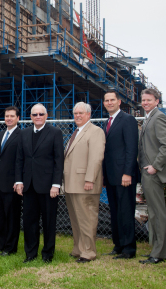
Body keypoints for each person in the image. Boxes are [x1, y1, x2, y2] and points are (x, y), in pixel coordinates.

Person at [15, 103, 64, 264]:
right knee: (29, 221)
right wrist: (19, 181)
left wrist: (56, 184)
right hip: (29, 186)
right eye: (35, 114)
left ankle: (47, 254)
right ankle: (30, 253)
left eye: (41, 114)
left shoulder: (55, 133)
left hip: (48, 186)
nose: (38, 117)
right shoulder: (24, 133)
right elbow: (20, 159)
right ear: (30, 117)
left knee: (49, 221)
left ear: (46, 116)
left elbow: (59, 160)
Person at [63, 102, 105, 263]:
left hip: (84, 184)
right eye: (75, 113)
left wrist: (89, 179)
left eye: (81, 113)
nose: (77, 116)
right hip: (72, 184)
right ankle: (78, 248)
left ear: (89, 114)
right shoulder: (77, 132)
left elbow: (96, 158)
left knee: (87, 219)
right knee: (76, 219)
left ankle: (88, 252)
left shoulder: (95, 131)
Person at [102, 89, 139, 260]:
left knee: (125, 211)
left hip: (124, 176)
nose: (109, 103)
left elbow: (131, 148)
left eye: (112, 100)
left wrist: (127, 173)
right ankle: (118, 245)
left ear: (119, 102)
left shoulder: (127, 120)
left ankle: (129, 248)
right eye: (106, 100)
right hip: (111, 176)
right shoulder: (107, 122)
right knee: (115, 211)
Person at [138, 89, 166, 264]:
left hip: (153, 173)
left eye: (149, 100)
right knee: (152, 213)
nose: (145, 103)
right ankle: (156, 250)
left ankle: (159, 253)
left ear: (157, 101)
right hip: (146, 172)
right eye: (143, 100)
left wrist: (155, 167)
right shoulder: (149, 117)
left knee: (158, 213)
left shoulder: (158, 117)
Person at [0, 106, 22, 256]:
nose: (9, 118)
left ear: (18, 118)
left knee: (12, 217)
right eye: (6, 116)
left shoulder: (21, 135)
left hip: (12, 185)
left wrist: (18, 180)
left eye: (12, 116)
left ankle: (10, 247)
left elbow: (20, 161)